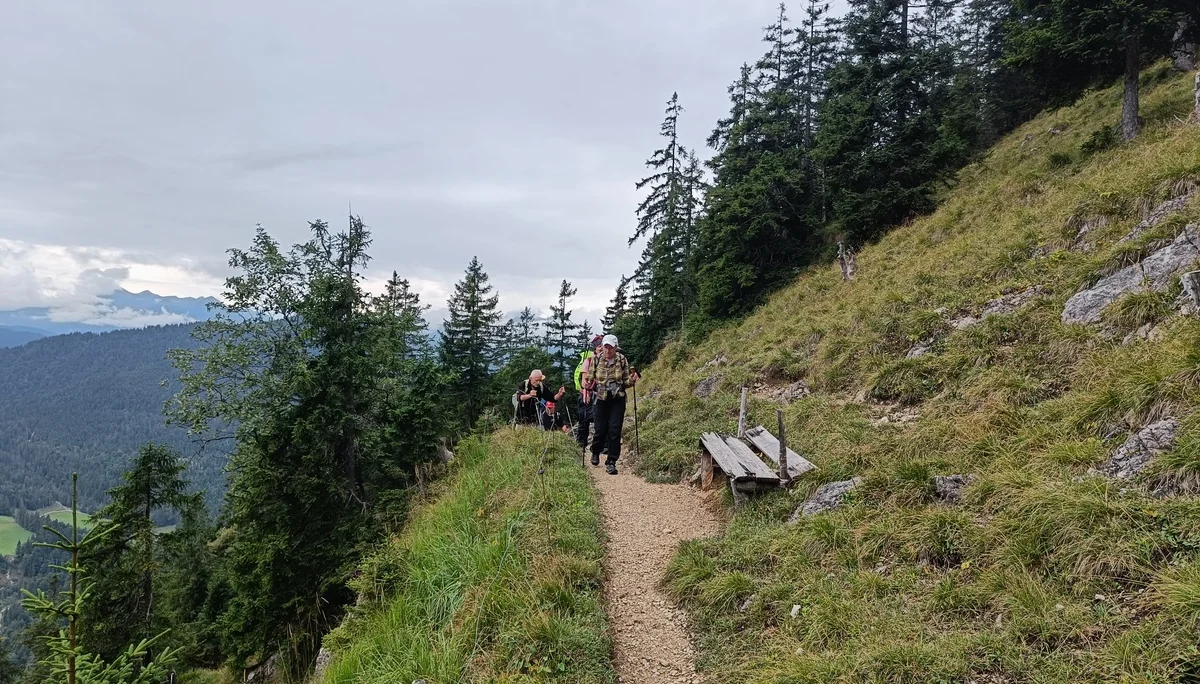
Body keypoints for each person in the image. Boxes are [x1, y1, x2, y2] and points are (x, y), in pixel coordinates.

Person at [589, 334, 639, 475]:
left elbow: (625, 381)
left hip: (617, 398)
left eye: (610, 347)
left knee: (615, 430)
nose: (607, 350)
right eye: (606, 346)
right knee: (600, 430)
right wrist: (586, 384)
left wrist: (632, 380)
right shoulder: (596, 359)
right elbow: (590, 378)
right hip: (600, 398)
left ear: (616, 347)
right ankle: (595, 451)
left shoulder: (622, 360)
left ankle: (611, 461)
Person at [574, 334, 603, 451]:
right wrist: (586, 392)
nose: (601, 348)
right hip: (588, 393)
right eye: (599, 346)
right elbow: (584, 380)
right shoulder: (589, 361)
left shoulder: (607, 360)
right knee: (584, 421)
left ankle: (600, 446)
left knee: (600, 421)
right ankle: (581, 445)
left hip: (601, 394)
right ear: (595, 348)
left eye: (602, 346)